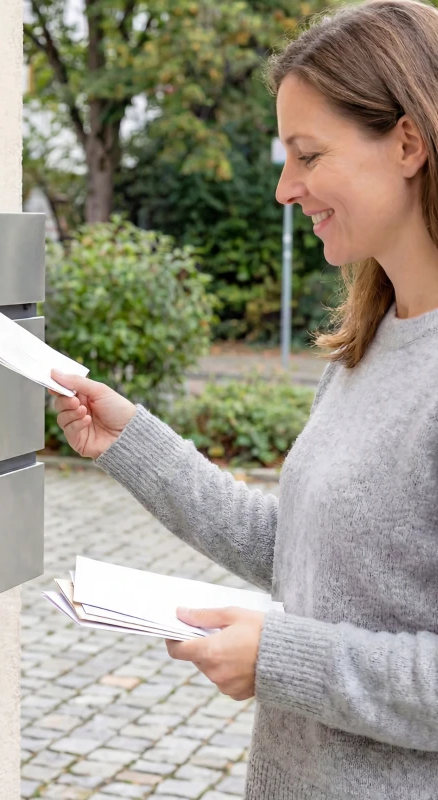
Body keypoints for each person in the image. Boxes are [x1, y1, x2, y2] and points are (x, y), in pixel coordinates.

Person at [50, 1, 438, 797]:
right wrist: (131, 441)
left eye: (308, 154)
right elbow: (300, 547)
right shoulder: (370, 345)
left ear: (407, 141)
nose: (284, 188)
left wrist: (277, 656)